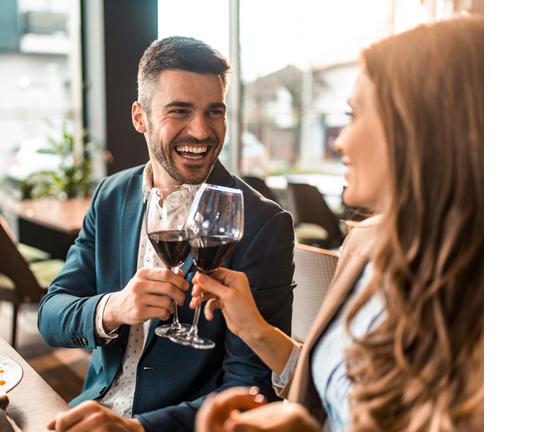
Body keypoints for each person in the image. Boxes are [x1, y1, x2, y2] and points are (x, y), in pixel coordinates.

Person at [191, 15, 484, 432]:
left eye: (356, 115)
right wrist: (253, 329)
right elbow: (332, 389)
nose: (340, 141)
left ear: (426, 128)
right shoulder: (365, 246)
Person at [38, 36, 296, 432]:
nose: (201, 131)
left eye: (214, 112)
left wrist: (136, 429)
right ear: (140, 117)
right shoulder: (111, 195)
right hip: (89, 408)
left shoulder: (263, 225)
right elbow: (52, 315)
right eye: (180, 111)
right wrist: (114, 308)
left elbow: (250, 390)